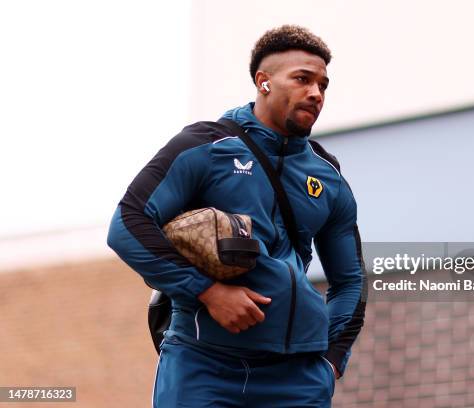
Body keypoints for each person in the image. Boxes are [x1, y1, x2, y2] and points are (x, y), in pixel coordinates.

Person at [107, 24, 367, 407]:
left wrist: (329, 364)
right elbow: (127, 225)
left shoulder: (328, 176)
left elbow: (351, 281)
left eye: (323, 85)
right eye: (302, 79)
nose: (315, 93)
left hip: (297, 379)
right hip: (203, 367)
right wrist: (208, 292)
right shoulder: (205, 146)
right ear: (263, 82)